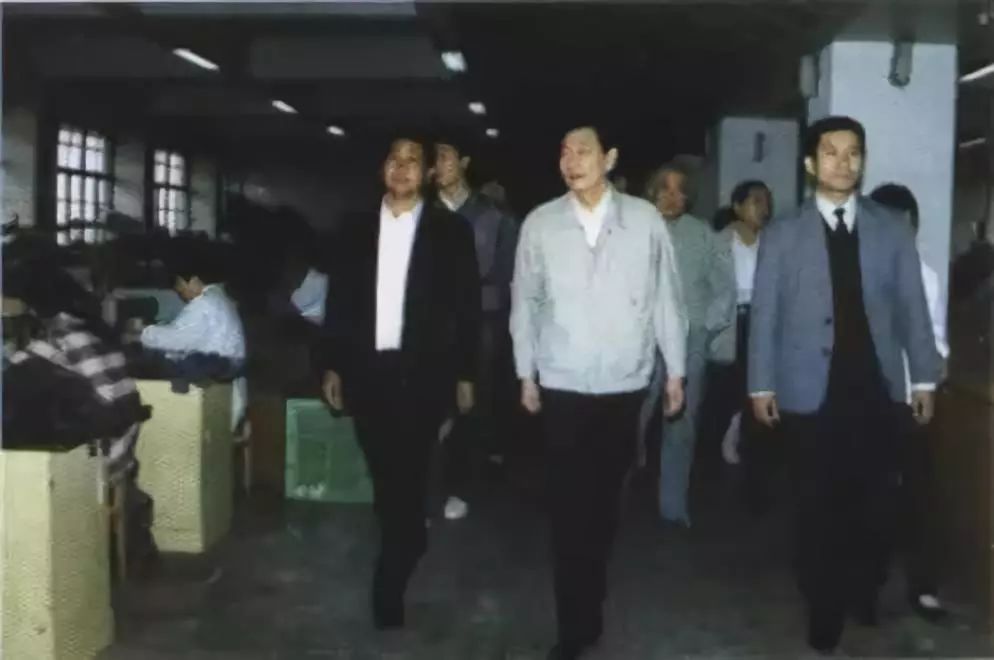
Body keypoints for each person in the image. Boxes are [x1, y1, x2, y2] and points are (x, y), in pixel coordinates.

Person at [749, 116, 940, 653]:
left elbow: (912, 309)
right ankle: (823, 607)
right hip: (808, 392)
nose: (843, 162)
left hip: (875, 390)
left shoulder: (890, 228)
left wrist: (924, 378)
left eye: (853, 152)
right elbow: (765, 314)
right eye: (831, 152)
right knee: (816, 507)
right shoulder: (783, 233)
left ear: (863, 161)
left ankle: (864, 586)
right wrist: (761, 385)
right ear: (811, 164)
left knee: (874, 504)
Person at [511, 124, 686, 660]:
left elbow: (667, 298)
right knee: (567, 508)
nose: (572, 160)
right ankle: (574, 623)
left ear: (608, 159)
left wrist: (675, 372)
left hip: (624, 384)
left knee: (605, 504)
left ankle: (591, 587)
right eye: (564, 152)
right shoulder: (541, 223)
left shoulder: (645, 220)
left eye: (583, 151)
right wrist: (525, 372)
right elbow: (525, 302)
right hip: (562, 383)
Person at [319, 135, 480, 630]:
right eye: (394, 159)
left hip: (422, 376)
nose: (403, 167)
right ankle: (407, 534)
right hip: (367, 374)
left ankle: (389, 582)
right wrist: (332, 365)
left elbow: (467, 307)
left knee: (407, 474)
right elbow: (338, 304)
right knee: (386, 476)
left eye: (413, 160)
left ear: (428, 172)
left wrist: (466, 374)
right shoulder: (354, 228)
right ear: (382, 168)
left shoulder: (449, 231)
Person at [869, 182, 950, 622]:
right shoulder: (858, 274)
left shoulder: (928, 277)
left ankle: (924, 587)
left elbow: (936, 338)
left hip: (914, 401)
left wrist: (937, 362)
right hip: (869, 400)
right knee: (870, 495)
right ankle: (868, 582)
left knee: (920, 495)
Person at [641, 162, 735, 527]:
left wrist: (705, 328)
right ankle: (613, 497)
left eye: (679, 190)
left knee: (682, 424)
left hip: (689, 338)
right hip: (640, 341)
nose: (671, 196)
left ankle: (673, 506)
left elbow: (724, 287)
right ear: (651, 192)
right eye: (664, 188)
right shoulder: (634, 229)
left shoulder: (703, 234)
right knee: (630, 419)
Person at [432, 134, 519, 521]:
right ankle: (428, 486)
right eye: (433, 159)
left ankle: (461, 486)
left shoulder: (494, 218)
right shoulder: (421, 212)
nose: (438, 165)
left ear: (464, 162)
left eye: (445, 156)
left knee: (471, 403)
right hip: (432, 320)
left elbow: (508, 277)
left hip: (482, 319)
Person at [711, 181, 780, 513]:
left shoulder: (773, 243)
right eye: (755, 201)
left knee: (759, 387)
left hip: (763, 322)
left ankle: (748, 449)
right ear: (738, 206)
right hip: (731, 323)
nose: (763, 208)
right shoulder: (720, 241)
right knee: (732, 384)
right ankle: (728, 431)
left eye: (766, 202)